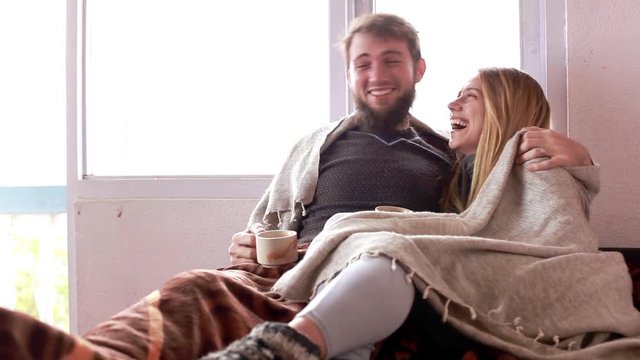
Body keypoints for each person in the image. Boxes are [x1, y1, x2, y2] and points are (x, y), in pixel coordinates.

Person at [0, 13, 595, 360]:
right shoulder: (321, 141)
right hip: (289, 269)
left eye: (391, 60)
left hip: (366, 265)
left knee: (245, 290)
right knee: (198, 287)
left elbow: (502, 212)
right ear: (351, 75)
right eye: (362, 63)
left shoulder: (447, 156)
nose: (375, 74)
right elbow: (269, 220)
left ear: (416, 69)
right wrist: (247, 244)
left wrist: (584, 161)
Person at [205, 66, 640, 360]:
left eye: (470, 97)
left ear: (507, 108)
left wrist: (582, 160)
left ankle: (284, 347)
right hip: (453, 278)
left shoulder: (534, 153)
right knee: (379, 247)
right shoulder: (461, 179)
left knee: (385, 247)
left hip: (536, 276)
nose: (452, 106)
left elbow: (559, 241)